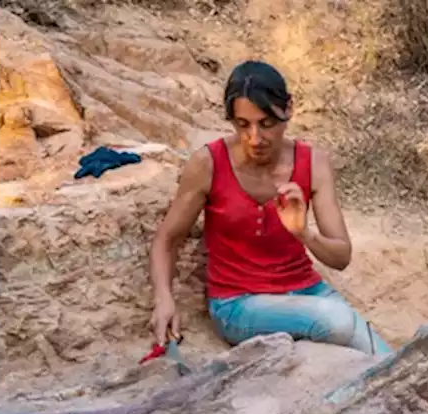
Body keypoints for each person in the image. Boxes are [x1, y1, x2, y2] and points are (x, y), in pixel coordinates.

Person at [149, 61, 391, 356]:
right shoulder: (209, 164)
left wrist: (303, 233)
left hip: (307, 292)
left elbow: (341, 257)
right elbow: (167, 239)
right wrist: (164, 299)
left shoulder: (313, 163)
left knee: (392, 362)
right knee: (339, 321)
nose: (255, 138)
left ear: (288, 110)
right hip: (238, 304)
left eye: (266, 124)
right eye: (242, 125)